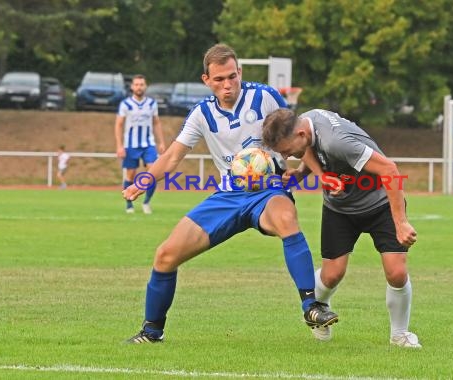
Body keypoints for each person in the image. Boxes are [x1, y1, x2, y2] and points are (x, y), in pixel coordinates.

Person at [122, 44, 338, 344]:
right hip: (227, 196)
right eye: (220, 79)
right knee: (165, 256)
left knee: (287, 218)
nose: (227, 84)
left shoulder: (264, 97)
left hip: (268, 191)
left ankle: (311, 306)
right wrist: (142, 181)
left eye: (232, 77)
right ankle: (151, 331)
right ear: (206, 80)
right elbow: (172, 156)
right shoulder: (201, 114)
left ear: (241, 73)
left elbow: (297, 136)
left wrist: (315, 173)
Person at [261, 108, 421, 348]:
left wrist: (401, 222)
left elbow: (389, 170)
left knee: (396, 273)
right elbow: (310, 149)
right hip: (340, 208)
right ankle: (317, 314)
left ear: (301, 133)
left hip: (380, 204)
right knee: (332, 274)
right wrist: (311, 175)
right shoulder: (306, 121)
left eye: (286, 150)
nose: (287, 156)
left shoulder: (338, 142)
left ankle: (400, 334)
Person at [115, 74, 166, 214]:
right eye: (136, 84)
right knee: (130, 176)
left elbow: (156, 123)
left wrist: (161, 142)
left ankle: (146, 202)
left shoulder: (151, 104)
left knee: (152, 173)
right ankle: (129, 204)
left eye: (141, 84)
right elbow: (119, 125)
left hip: (148, 144)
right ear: (132, 87)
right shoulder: (125, 104)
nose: (139, 87)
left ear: (145, 86)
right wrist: (119, 145)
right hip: (130, 145)